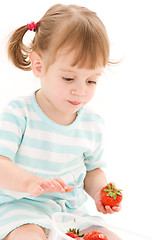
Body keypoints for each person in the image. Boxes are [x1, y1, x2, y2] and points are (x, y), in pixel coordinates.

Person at [0, 4, 121, 240]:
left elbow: (92, 170)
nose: (80, 90)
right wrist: (29, 183)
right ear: (39, 65)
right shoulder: (19, 113)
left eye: (91, 81)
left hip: (72, 212)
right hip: (21, 209)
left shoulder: (92, 124)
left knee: (110, 237)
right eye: (68, 78)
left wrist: (99, 193)